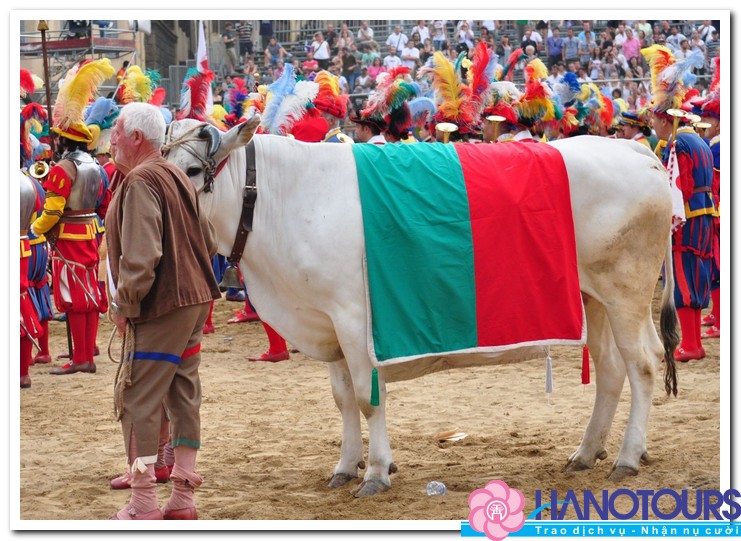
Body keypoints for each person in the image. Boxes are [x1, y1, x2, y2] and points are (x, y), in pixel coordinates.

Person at [106, 102, 221, 520]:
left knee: (137, 396)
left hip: (164, 303)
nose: (112, 138)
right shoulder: (175, 172)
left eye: (117, 131)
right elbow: (208, 240)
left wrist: (125, 304)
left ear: (136, 137)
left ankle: (142, 505)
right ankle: (182, 501)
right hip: (195, 299)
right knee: (183, 394)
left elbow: (141, 256)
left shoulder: (139, 181)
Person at [31, 59, 114, 376]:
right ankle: (84, 351)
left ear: (64, 140)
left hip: (69, 237)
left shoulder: (65, 167)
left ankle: (82, 357)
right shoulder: (93, 165)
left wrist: (36, 230)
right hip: (90, 232)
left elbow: (52, 210)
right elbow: (102, 200)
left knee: (75, 296)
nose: (54, 141)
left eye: (57, 138)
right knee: (88, 294)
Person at [643, 46, 715, 362]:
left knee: (684, 278)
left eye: (656, 121)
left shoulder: (678, 143)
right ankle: (694, 340)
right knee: (697, 275)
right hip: (705, 214)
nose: (654, 127)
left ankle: (692, 345)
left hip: (685, 218)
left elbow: (677, 187)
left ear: (664, 119)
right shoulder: (698, 139)